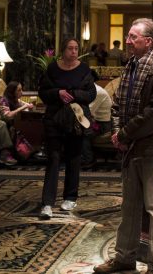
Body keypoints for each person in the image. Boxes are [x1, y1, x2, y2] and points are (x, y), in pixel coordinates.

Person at [93, 18, 153, 274]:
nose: (127, 42)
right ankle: (124, 258)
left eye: (133, 37)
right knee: (129, 208)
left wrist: (125, 134)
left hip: (152, 148)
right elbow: (117, 103)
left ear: (148, 42)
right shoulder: (131, 65)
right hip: (131, 147)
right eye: (128, 37)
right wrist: (118, 131)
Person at [38, 37, 96, 219]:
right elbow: (43, 92)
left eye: (76, 48)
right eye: (70, 48)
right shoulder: (53, 68)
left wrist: (72, 94)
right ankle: (47, 203)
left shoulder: (84, 69)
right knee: (53, 159)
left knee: (74, 158)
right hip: (54, 119)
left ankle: (70, 197)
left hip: (76, 120)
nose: (74, 51)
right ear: (63, 50)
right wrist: (58, 93)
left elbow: (90, 94)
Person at [0, 81, 32, 166]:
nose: (21, 92)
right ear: (12, 91)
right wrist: (22, 107)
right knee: (2, 124)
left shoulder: (15, 101)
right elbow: (8, 116)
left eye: (21, 90)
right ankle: (6, 153)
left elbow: (27, 106)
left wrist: (28, 106)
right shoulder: (3, 100)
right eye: (19, 90)